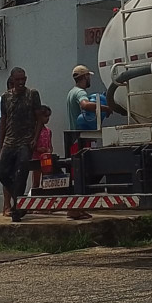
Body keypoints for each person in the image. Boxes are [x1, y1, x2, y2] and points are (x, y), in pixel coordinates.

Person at [66, 65, 113, 220]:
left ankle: (76, 207)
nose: (89, 79)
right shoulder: (80, 92)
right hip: (81, 139)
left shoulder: (71, 92)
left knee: (77, 175)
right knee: (84, 174)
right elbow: (85, 105)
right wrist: (105, 108)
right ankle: (76, 208)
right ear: (84, 77)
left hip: (74, 138)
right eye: (88, 76)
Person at [0, 67, 42, 222]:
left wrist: (35, 138)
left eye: (23, 79)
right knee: (2, 173)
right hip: (10, 141)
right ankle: (20, 200)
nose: (21, 82)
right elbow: (3, 121)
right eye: (18, 80)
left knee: (22, 172)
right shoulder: (5, 98)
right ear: (12, 80)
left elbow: (39, 118)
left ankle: (17, 208)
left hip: (25, 141)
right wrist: (0, 145)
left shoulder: (32, 94)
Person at [0, 77, 14, 216]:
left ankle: (15, 204)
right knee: (6, 173)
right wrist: (1, 147)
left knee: (15, 173)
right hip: (6, 144)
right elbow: (2, 124)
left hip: (16, 143)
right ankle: (7, 205)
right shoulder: (1, 101)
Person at [31, 105, 53, 189]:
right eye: (45, 116)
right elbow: (31, 144)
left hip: (46, 159)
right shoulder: (34, 130)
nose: (47, 119)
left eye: (48, 116)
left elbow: (50, 144)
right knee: (36, 180)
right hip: (36, 158)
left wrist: (49, 150)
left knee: (46, 180)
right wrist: (38, 149)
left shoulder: (48, 131)